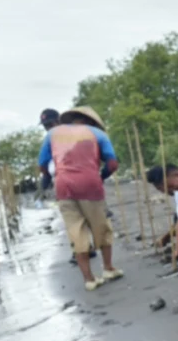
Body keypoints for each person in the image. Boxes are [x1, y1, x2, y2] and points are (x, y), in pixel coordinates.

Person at [38, 107, 124, 291]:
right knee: (101, 226)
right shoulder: (97, 133)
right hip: (90, 184)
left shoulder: (52, 134)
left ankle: (89, 279)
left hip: (63, 187)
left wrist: (50, 177)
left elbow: (42, 165)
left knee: (76, 231)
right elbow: (112, 163)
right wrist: (101, 175)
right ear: (91, 121)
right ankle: (108, 268)